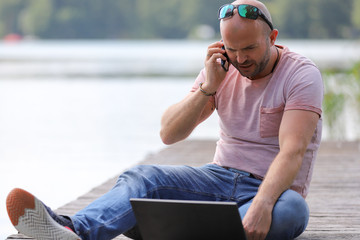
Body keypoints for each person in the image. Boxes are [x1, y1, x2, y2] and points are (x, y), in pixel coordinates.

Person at [6, 0, 323, 239]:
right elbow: (169, 134)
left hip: (274, 189)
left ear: (272, 37)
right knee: (142, 178)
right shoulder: (220, 68)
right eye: (232, 49)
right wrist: (208, 86)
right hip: (218, 179)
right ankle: (76, 231)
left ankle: (166, 225)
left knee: (291, 211)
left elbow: (292, 151)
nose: (240, 59)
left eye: (250, 48)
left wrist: (262, 204)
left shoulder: (301, 74)